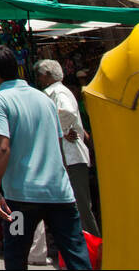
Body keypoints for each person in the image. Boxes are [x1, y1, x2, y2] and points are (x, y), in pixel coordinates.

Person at [0, 46, 92, 271]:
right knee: (76, 256)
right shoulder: (44, 100)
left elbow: (2, 147)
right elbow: (58, 143)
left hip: (20, 199)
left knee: (15, 255)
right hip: (59, 194)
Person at [34, 59, 99, 238]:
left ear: (47, 76)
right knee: (75, 205)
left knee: (80, 205)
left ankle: (93, 246)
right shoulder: (58, 91)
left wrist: (60, 132)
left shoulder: (57, 92)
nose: (38, 79)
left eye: (40, 75)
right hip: (69, 156)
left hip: (71, 156)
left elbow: (67, 113)